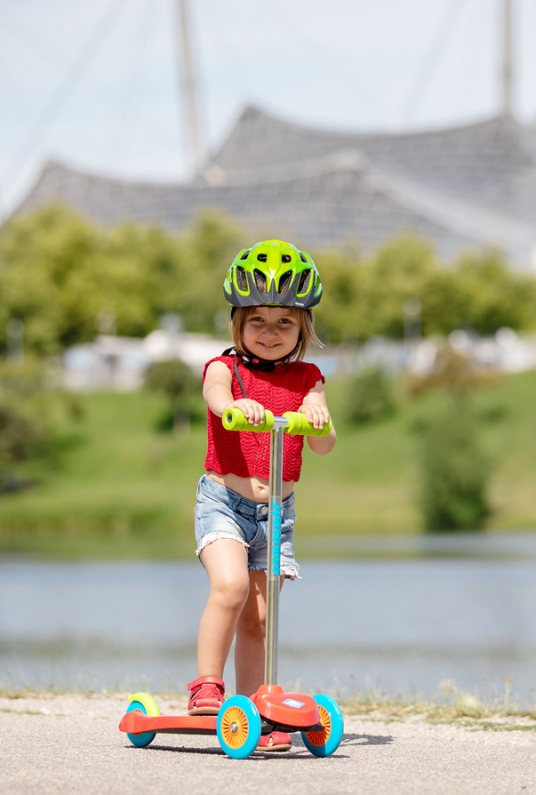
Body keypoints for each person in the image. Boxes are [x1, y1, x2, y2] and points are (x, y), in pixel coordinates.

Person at [187, 239, 336, 752]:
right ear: (237, 324)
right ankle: (207, 684)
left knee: (260, 617)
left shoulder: (308, 378)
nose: (270, 334)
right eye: (258, 322)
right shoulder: (224, 369)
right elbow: (216, 396)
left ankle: (253, 712)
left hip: (276, 513)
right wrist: (237, 406)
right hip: (224, 503)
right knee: (229, 588)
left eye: (284, 323)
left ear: (302, 329)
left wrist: (318, 417)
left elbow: (323, 443)